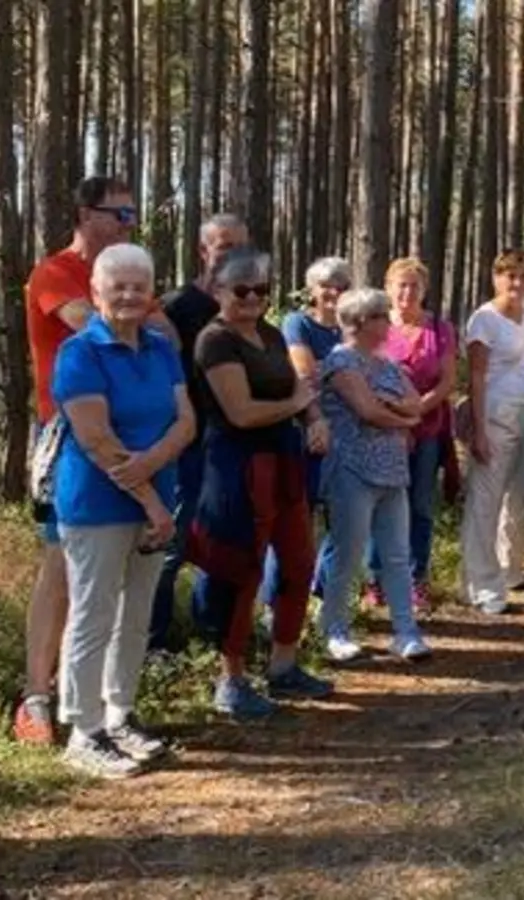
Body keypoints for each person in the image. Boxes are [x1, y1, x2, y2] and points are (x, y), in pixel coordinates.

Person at [17, 175, 171, 745]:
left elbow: (165, 338)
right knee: (64, 565)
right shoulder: (55, 272)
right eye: (120, 214)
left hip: (140, 428)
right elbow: (97, 326)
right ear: (86, 214)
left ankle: (111, 707)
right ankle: (38, 694)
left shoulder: (124, 275)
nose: (129, 224)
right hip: (72, 433)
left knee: (124, 573)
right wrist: (136, 320)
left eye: (133, 215)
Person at [50, 244, 194, 778]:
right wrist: (152, 498)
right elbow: (95, 438)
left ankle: (120, 715)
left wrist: (155, 463)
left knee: (135, 618)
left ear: (151, 293)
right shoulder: (79, 354)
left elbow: (186, 419)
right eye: (118, 286)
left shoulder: (160, 348)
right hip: (97, 505)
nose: (130, 295)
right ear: (95, 293)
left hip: (156, 500)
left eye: (139, 285)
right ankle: (82, 732)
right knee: (93, 615)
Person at [188, 248, 333, 718]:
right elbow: (241, 412)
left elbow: (301, 389)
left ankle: (284, 665)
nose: (252, 298)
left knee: (298, 561)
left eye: (261, 290)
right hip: (237, 469)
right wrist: (296, 405)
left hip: (284, 463)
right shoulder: (215, 341)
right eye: (242, 290)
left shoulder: (269, 334)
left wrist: (313, 417)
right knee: (239, 570)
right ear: (218, 291)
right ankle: (230, 679)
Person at [315, 288, 432, 663]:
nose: (389, 322)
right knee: (347, 554)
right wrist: (402, 417)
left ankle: (405, 632)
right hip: (352, 471)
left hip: (392, 472)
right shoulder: (341, 363)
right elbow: (367, 411)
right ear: (361, 323)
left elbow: (416, 403)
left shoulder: (388, 365)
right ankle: (334, 629)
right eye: (382, 315)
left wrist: (398, 409)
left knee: (398, 554)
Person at [152, 213, 248, 654]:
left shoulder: (246, 308)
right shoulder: (173, 306)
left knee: (223, 543)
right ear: (203, 250)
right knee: (169, 545)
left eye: (241, 246)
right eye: (224, 245)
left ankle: (213, 636)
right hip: (183, 444)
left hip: (232, 444)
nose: (233, 254)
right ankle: (154, 643)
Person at [257, 257, 350, 612]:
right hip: (305, 434)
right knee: (294, 523)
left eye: (341, 285)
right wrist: (343, 373)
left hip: (349, 438)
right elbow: (303, 373)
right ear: (311, 290)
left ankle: (321, 597)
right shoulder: (297, 324)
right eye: (326, 285)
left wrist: (332, 372)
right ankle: (274, 604)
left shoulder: (348, 328)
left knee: (342, 524)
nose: (333, 292)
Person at [459, 250, 524, 616]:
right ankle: (481, 586)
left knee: (518, 498)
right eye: (508, 275)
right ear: (495, 278)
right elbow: (476, 378)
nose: (516, 283)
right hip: (495, 414)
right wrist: (478, 431)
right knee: (486, 500)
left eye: (523, 276)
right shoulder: (484, 320)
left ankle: (510, 571)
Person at [379, 257, 458, 613]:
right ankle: (376, 579)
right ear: (388, 288)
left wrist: (416, 412)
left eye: (414, 285)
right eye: (401, 284)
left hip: (426, 429)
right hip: (381, 429)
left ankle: (415, 580)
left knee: (420, 506)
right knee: (381, 504)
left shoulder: (439, 329)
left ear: (424, 290)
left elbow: (447, 381)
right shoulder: (377, 326)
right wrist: (396, 418)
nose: (407, 292)